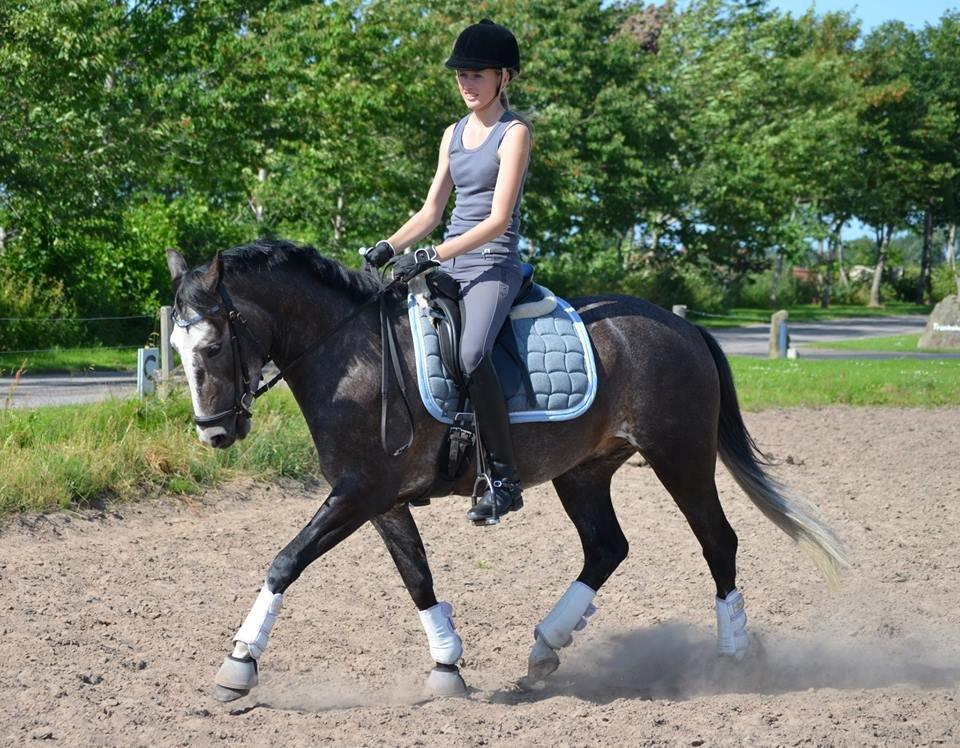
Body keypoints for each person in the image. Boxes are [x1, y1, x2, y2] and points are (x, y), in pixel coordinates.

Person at [364, 19, 531, 524]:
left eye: (477, 75)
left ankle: (503, 479)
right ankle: (420, 460)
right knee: (402, 339)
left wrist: (434, 255)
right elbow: (432, 210)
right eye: (461, 75)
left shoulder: (513, 133)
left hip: (493, 263)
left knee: (473, 351)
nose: (466, 84)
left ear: (504, 77)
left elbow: (499, 219)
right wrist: (389, 245)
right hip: (449, 260)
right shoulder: (453, 134)